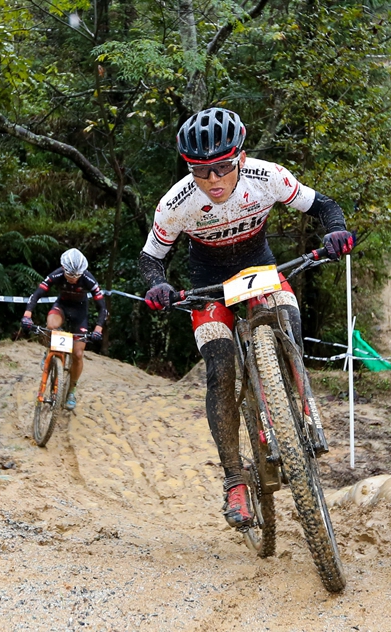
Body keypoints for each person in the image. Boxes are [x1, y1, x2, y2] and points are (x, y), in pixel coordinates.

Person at [138, 107, 354, 529]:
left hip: (259, 268)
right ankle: (235, 479)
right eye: (202, 172)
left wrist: (336, 229)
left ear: (240, 157)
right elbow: (151, 257)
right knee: (220, 368)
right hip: (208, 281)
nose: (213, 180)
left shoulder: (267, 176)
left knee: (289, 325)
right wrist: (156, 285)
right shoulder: (176, 202)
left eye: (222, 168)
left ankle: (298, 408)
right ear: (189, 170)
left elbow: (323, 204)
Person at [21, 248, 107, 410]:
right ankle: (49, 350)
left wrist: (98, 329)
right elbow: (37, 293)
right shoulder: (57, 274)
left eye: (77, 276)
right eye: (70, 275)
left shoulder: (88, 279)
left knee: (78, 354)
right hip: (62, 306)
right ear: (63, 268)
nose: (74, 279)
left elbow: (102, 307)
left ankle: (71, 390)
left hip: (80, 312)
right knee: (51, 326)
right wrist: (27, 314)